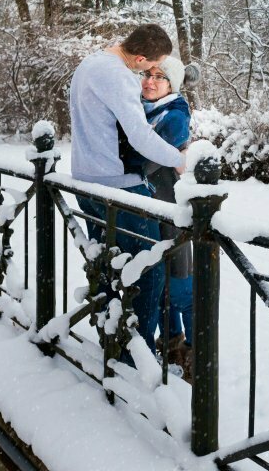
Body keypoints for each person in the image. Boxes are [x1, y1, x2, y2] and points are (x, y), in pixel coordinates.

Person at [68, 24, 184, 357]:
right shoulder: (118, 75)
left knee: (109, 266)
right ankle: (138, 355)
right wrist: (179, 160)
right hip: (117, 188)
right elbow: (140, 137)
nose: (149, 73)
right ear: (139, 57)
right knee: (149, 272)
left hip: (86, 181)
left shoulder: (91, 63)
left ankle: (111, 343)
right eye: (150, 66)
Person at [118, 55, 199, 379]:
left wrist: (123, 152)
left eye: (159, 77)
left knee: (181, 289)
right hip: (148, 208)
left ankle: (195, 353)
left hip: (171, 212)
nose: (149, 81)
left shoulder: (175, 115)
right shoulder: (139, 110)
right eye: (147, 74)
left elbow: (139, 158)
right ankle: (171, 345)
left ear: (172, 85)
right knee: (159, 283)